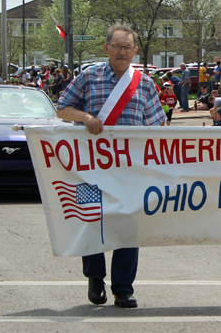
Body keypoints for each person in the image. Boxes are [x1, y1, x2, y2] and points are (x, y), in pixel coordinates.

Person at [57, 23, 166, 308]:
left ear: (135, 51)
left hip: (131, 169)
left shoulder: (144, 83)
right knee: (92, 221)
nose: (122, 51)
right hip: (90, 168)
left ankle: (123, 288)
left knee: (128, 226)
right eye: (117, 46)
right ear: (106, 48)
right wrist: (85, 118)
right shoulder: (89, 76)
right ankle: (95, 278)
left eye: (127, 47)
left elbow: (158, 126)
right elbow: (62, 108)